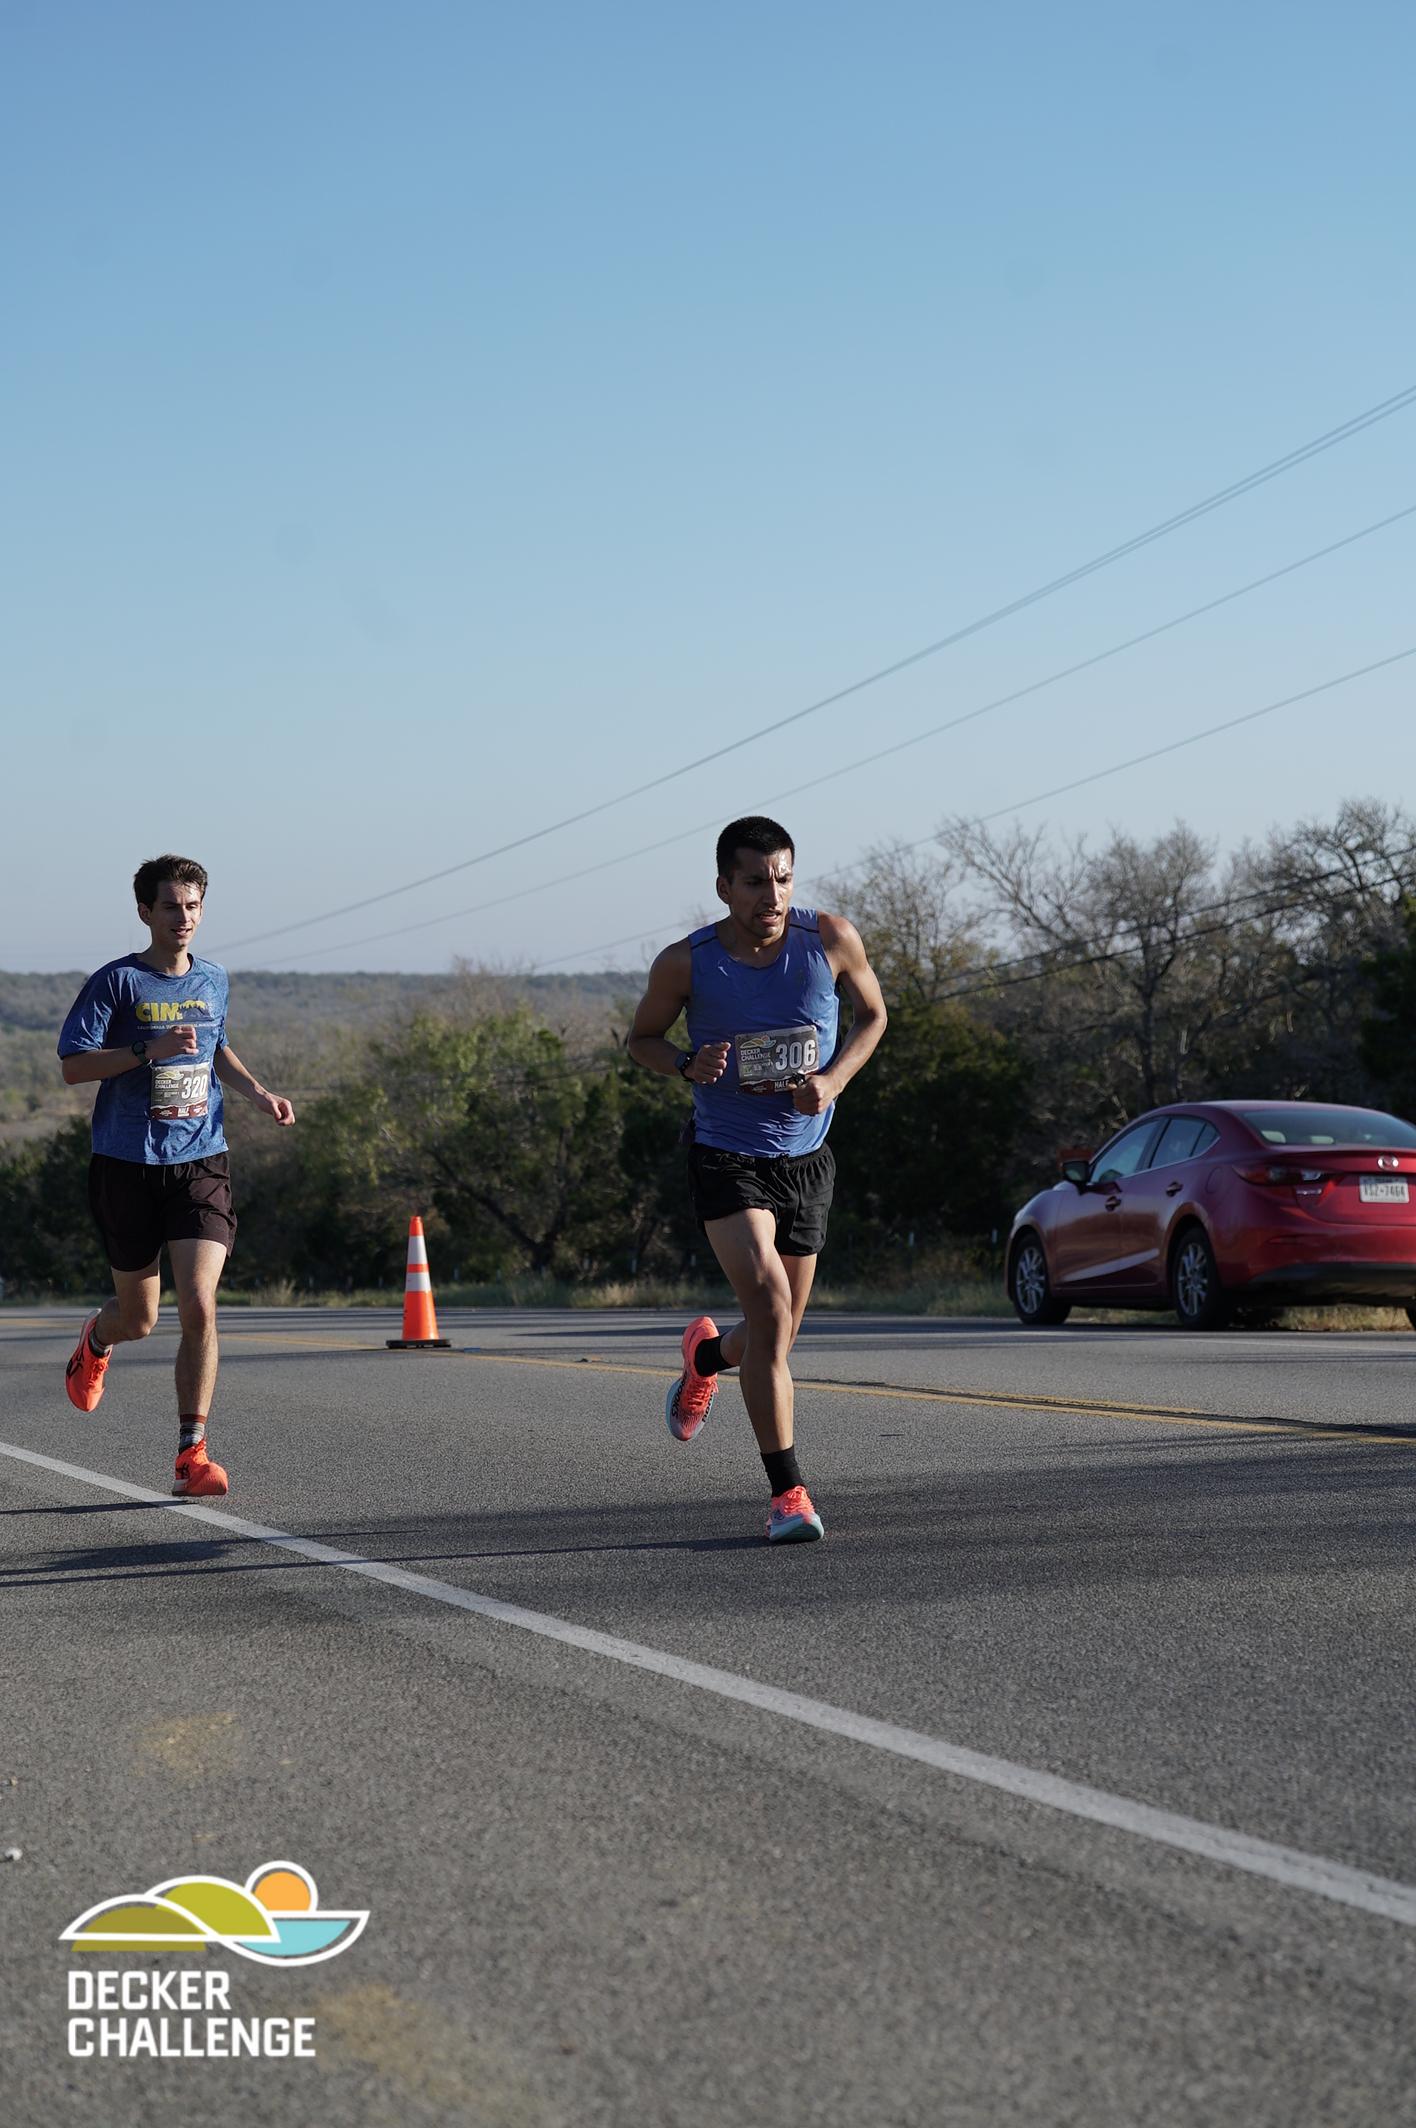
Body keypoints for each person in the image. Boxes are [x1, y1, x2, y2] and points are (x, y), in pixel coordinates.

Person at [628, 815, 887, 1543]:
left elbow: (873, 1017)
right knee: (770, 1309)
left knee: (778, 1332)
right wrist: (686, 1064)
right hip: (726, 1155)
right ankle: (788, 1495)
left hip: (806, 1158)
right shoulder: (686, 963)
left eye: (782, 879)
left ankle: (706, 1356)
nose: (771, 895)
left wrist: (833, 1080)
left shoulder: (829, 939)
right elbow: (640, 1039)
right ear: (724, 887)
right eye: (753, 882)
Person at [57, 856, 295, 1497]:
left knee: (199, 1302)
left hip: (200, 1160)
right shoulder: (117, 982)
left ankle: (193, 1455)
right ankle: (96, 1340)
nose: (182, 918)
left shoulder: (214, 978)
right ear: (145, 912)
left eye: (192, 907)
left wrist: (258, 1093)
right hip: (126, 1164)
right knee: (139, 1319)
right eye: (170, 907)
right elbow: (73, 1066)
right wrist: (147, 1050)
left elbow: (217, 1047)